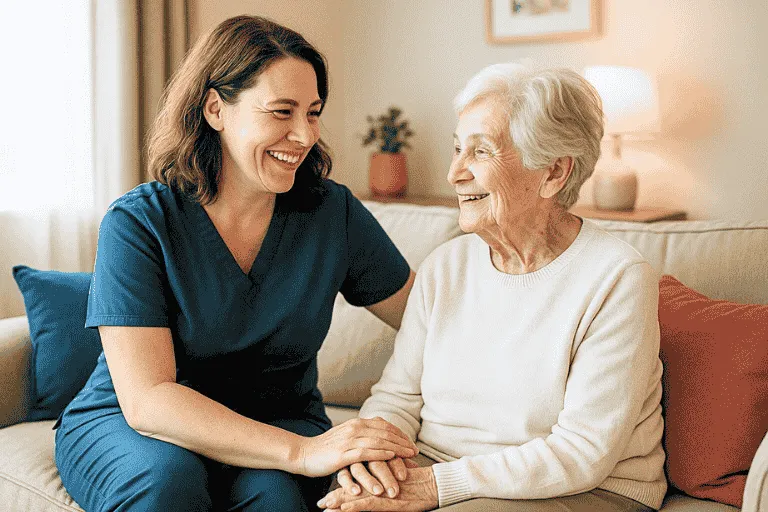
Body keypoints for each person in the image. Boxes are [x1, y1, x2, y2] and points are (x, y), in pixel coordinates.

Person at [54, 15, 419, 512]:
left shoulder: (333, 213)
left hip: (278, 417)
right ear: (215, 109)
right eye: (281, 112)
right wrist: (302, 452)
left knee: (279, 501)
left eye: (312, 113)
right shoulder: (140, 222)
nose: (304, 134)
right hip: (135, 424)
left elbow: (428, 322)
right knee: (166, 484)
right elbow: (148, 400)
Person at [318, 63, 667, 512]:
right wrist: (372, 460)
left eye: (480, 152)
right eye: (457, 149)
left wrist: (438, 487)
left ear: (554, 172)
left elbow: (583, 454)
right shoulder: (446, 266)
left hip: (583, 490)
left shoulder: (616, 277)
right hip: (440, 468)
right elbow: (398, 398)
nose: (454, 173)